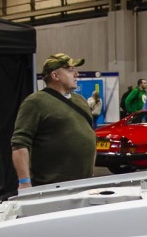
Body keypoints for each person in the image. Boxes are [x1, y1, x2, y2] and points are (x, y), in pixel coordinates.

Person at [11, 53, 95, 190]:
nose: (76, 74)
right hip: (52, 187)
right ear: (55, 76)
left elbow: (89, 136)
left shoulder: (81, 101)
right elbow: (19, 144)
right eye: (70, 70)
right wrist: (25, 182)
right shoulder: (35, 102)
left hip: (84, 184)